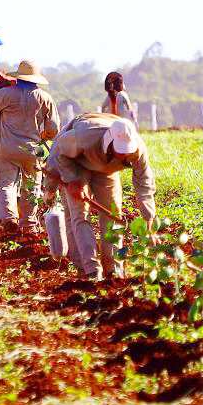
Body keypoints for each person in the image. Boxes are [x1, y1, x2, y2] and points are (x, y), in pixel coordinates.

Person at [42, 113, 155, 281]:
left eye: (126, 152)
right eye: (120, 151)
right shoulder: (84, 136)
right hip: (77, 165)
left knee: (113, 215)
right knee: (79, 215)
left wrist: (148, 221)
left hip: (107, 171)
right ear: (109, 142)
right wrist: (67, 182)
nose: (124, 155)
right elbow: (58, 151)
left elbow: (144, 185)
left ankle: (113, 270)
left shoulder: (137, 149)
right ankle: (89, 270)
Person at [0, 61, 58, 229]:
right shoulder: (45, 98)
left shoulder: (5, 94)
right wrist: (43, 136)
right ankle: (29, 224)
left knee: (5, 183)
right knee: (32, 186)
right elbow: (53, 128)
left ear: (18, 76)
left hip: (6, 148)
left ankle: (9, 219)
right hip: (32, 150)